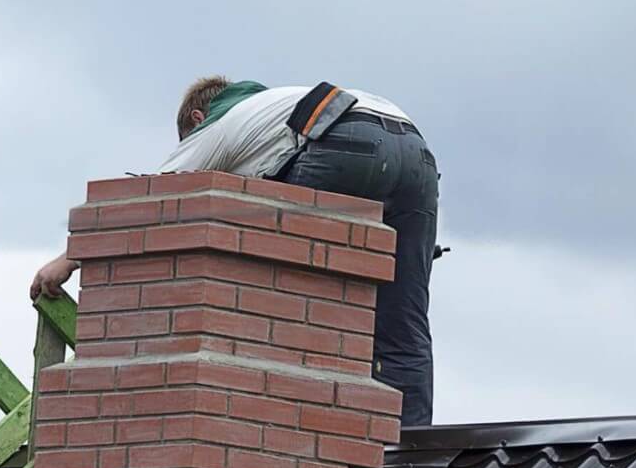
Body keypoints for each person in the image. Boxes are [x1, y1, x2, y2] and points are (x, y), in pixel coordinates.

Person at [31, 76, 438, 426]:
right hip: (416, 156)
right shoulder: (272, 111)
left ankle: (289, 420)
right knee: (404, 324)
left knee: (276, 289)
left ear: (195, 119)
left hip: (342, 139)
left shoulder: (220, 121)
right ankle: (410, 453)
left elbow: (152, 199)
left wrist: (68, 260)